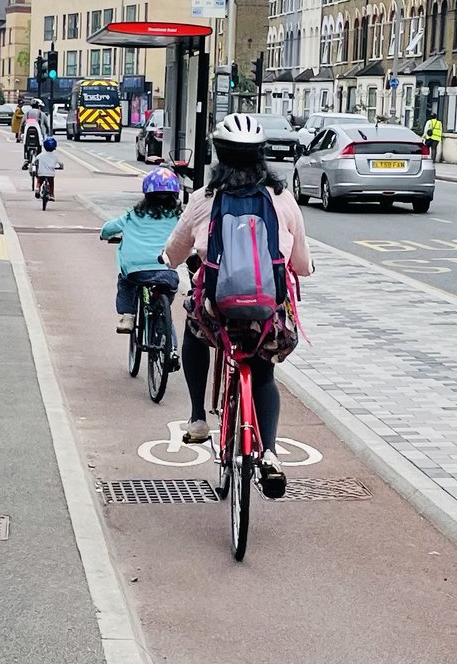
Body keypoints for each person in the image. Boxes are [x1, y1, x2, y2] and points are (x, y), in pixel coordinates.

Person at [161, 113, 313, 498]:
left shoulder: (203, 200)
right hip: (266, 314)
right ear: (261, 156)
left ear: (219, 156)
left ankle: (197, 417)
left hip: (217, 312)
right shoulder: (281, 199)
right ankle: (272, 455)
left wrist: (167, 260)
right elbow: (300, 265)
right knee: (263, 376)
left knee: (194, 329)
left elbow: (175, 252)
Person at [100, 168, 183, 335]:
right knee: (167, 290)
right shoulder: (178, 216)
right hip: (166, 270)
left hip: (135, 270)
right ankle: (163, 323)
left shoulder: (134, 214)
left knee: (126, 282)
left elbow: (108, 229)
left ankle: (128, 316)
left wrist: (104, 235)